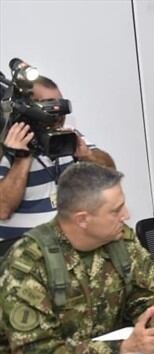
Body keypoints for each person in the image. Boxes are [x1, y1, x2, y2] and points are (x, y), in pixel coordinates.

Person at [0, 163, 154, 354]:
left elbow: (151, 295)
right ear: (82, 219)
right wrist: (123, 348)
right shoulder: (28, 265)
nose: (126, 215)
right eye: (115, 211)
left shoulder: (120, 240)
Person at [0, 76, 115, 241]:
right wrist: (23, 158)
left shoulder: (66, 135)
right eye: (50, 106)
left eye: (61, 106)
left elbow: (110, 173)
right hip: (22, 257)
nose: (58, 115)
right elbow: (3, 210)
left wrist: (87, 156)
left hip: (66, 252)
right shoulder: (8, 147)